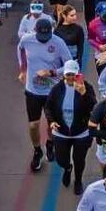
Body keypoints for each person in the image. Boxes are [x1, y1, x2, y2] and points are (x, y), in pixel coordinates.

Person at [17, 17, 71, 172]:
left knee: (51, 124)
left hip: (52, 91)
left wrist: (51, 72)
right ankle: (37, 150)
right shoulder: (27, 40)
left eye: (46, 37)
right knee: (33, 124)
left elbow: (70, 65)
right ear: (35, 31)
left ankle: (50, 143)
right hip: (33, 90)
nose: (44, 40)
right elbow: (20, 49)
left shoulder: (58, 43)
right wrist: (23, 69)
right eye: (41, 37)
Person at [46, 60, 97, 194]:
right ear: (63, 75)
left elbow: (94, 107)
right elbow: (48, 107)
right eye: (68, 74)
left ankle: (78, 180)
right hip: (61, 133)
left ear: (78, 74)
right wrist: (51, 121)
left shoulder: (86, 87)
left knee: (79, 160)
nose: (70, 77)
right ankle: (68, 168)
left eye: (73, 75)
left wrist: (83, 93)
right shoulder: (57, 89)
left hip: (81, 133)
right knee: (61, 159)